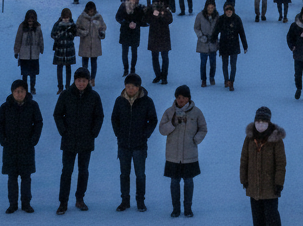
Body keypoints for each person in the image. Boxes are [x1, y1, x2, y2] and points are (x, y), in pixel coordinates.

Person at [54, 68, 104, 213]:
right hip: (69, 141)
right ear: (74, 81)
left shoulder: (94, 96)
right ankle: (63, 202)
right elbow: (57, 114)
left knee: (83, 171)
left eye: (84, 81)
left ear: (88, 81)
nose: (81, 83)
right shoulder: (65, 95)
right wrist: (63, 131)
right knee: (67, 171)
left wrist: (93, 133)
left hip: (86, 141)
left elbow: (99, 116)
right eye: (78, 80)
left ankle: (80, 199)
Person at [240, 106, 287, 226]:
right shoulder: (249, 138)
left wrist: (279, 183)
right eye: (258, 121)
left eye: (264, 121)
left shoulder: (276, 140)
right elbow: (244, 160)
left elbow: (281, 163)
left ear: (269, 122)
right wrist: (244, 179)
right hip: (254, 185)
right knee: (257, 215)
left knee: (271, 215)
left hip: (270, 186)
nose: (260, 124)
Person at [111, 73, 158, 212]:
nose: (130, 89)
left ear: (139, 87)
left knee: (140, 174)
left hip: (140, 145)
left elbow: (153, 120)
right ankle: (125, 200)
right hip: (123, 144)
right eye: (128, 86)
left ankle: (140, 201)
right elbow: (114, 119)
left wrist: (145, 135)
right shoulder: (119, 101)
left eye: (133, 87)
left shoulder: (147, 101)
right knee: (124, 174)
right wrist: (119, 134)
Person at [0, 78, 44, 213]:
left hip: (26, 147)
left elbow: (39, 122)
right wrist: (2, 140)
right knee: (12, 177)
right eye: (17, 91)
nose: (19, 94)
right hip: (10, 147)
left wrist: (34, 139)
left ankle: (26, 203)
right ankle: (13, 204)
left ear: (26, 92)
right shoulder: (5, 107)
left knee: (26, 177)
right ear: (12, 92)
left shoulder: (33, 105)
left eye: (22, 91)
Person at [160, 86, 207, 217]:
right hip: (172, 155)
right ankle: (175, 209)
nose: (181, 100)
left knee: (188, 182)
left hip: (189, 155)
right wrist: (172, 123)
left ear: (189, 98)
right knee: (174, 182)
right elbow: (162, 130)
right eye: (179, 97)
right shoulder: (169, 112)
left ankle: (188, 209)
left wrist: (196, 140)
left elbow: (203, 129)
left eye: (184, 98)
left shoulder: (197, 112)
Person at [211, 2, 248, 90]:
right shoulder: (221, 19)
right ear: (224, 11)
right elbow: (216, 30)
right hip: (224, 44)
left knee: (233, 64)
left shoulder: (237, 19)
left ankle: (231, 81)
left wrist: (245, 45)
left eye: (230, 10)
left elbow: (241, 33)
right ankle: (226, 80)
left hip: (234, 45)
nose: (229, 12)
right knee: (225, 64)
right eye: (227, 10)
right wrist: (213, 39)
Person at [115, 0, 146, 77]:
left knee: (134, 52)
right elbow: (118, 17)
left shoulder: (139, 8)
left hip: (135, 32)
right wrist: (127, 23)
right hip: (125, 32)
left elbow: (143, 19)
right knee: (125, 52)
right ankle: (125, 69)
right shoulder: (123, 7)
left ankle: (132, 68)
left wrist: (136, 24)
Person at [14, 9, 44, 95]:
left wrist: (41, 47)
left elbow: (40, 38)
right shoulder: (22, 27)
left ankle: (32, 87)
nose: (30, 21)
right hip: (24, 54)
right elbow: (18, 39)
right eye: (29, 19)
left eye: (32, 19)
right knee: (24, 73)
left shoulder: (37, 27)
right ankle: (25, 88)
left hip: (34, 54)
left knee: (33, 73)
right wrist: (16, 51)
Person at [75, 2, 106, 86]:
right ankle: (85, 78)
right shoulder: (81, 18)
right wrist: (83, 32)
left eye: (92, 11)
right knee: (84, 63)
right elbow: (76, 29)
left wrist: (101, 33)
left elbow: (103, 27)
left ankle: (92, 78)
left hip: (95, 44)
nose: (91, 12)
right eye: (90, 11)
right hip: (85, 44)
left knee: (94, 63)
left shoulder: (98, 18)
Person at [147, 0, 174, 85]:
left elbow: (170, 20)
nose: (158, 4)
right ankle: (158, 75)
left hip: (164, 36)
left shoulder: (166, 10)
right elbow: (146, 20)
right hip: (154, 35)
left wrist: (162, 15)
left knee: (165, 57)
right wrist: (153, 15)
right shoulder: (150, 9)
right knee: (155, 57)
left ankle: (164, 76)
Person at [51, 8, 78, 93]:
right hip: (60, 48)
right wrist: (60, 34)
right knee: (59, 68)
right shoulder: (57, 24)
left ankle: (67, 86)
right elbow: (52, 34)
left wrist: (70, 32)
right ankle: (60, 86)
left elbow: (75, 33)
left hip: (68, 49)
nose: (66, 19)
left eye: (67, 17)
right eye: (64, 17)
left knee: (68, 68)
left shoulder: (72, 24)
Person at [194, 0, 220, 86]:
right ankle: (203, 79)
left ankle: (212, 77)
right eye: (209, 8)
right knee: (203, 63)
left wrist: (215, 36)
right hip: (203, 43)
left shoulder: (217, 16)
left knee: (213, 62)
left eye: (212, 8)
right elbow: (196, 28)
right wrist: (201, 36)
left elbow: (219, 27)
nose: (210, 9)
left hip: (213, 42)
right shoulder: (200, 16)